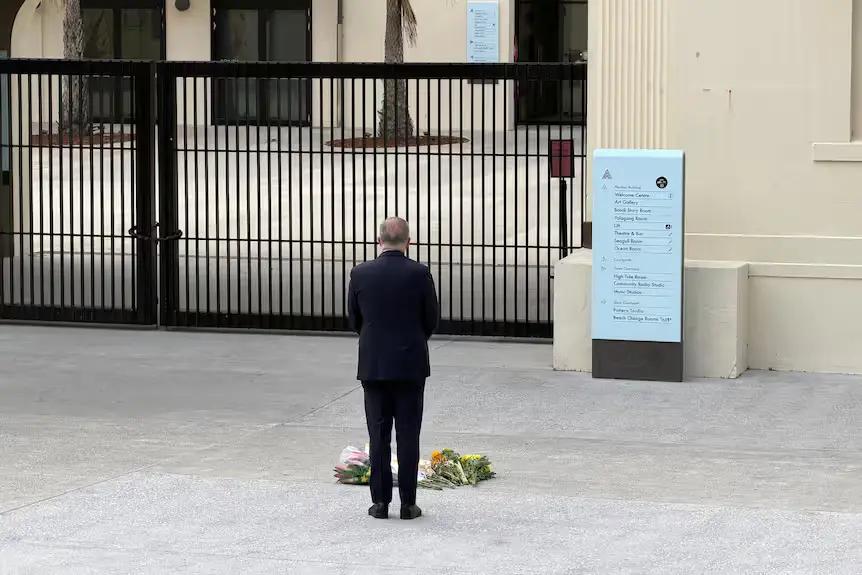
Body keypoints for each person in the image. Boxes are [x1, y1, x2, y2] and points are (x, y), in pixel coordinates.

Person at [347, 217, 439, 520]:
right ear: (409, 242)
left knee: (379, 432)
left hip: (373, 363)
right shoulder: (420, 273)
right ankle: (408, 503)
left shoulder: (360, 273)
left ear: (378, 240)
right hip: (410, 363)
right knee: (409, 433)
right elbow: (431, 319)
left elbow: (353, 320)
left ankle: (381, 502)